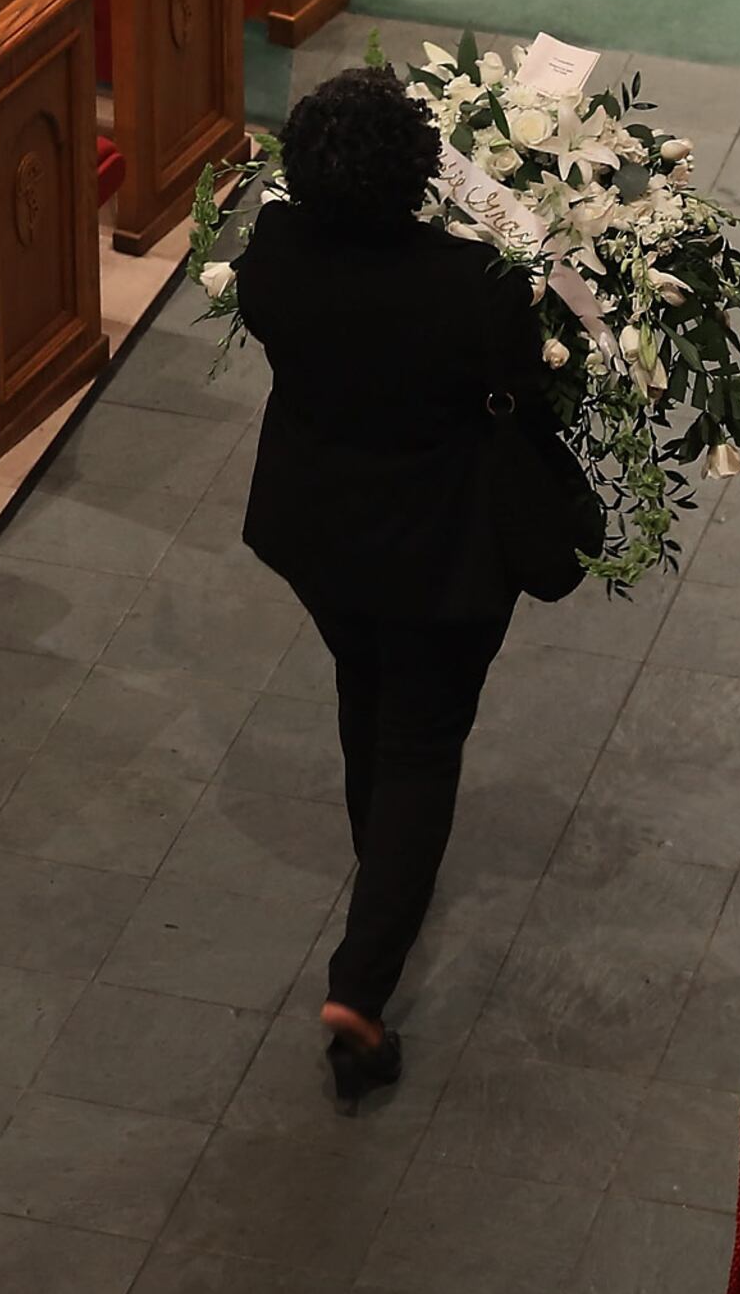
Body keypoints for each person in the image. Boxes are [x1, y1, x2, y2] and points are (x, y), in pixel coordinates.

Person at [231, 66, 558, 1108]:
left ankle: (384, 877)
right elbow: (531, 373)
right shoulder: (474, 288)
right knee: (420, 740)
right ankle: (360, 992)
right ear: (421, 171)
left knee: (362, 686)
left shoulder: (275, 258)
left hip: (320, 534)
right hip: (441, 549)